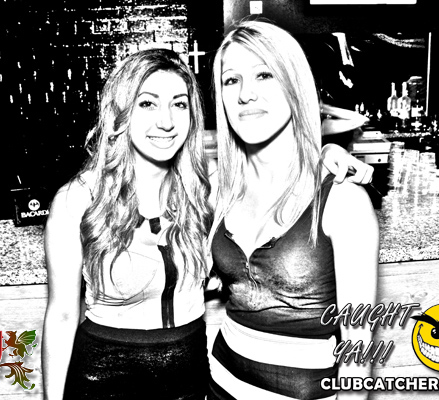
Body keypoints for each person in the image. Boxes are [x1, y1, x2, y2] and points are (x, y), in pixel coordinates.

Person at [41, 47, 374, 400]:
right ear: (121, 111)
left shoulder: (208, 188)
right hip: (103, 378)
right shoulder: (79, 200)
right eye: (147, 103)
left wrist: (327, 154)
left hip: (190, 379)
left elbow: (280, 174)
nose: (166, 121)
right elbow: (61, 315)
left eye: (179, 104)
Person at [208, 20, 379, 400]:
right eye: (231, 80)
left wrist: (326, 151)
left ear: (293, 83)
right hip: (219, 387)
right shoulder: (220, 187)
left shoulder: (342, 199)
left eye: (264, 74)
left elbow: (358, 347)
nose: (246, 94)